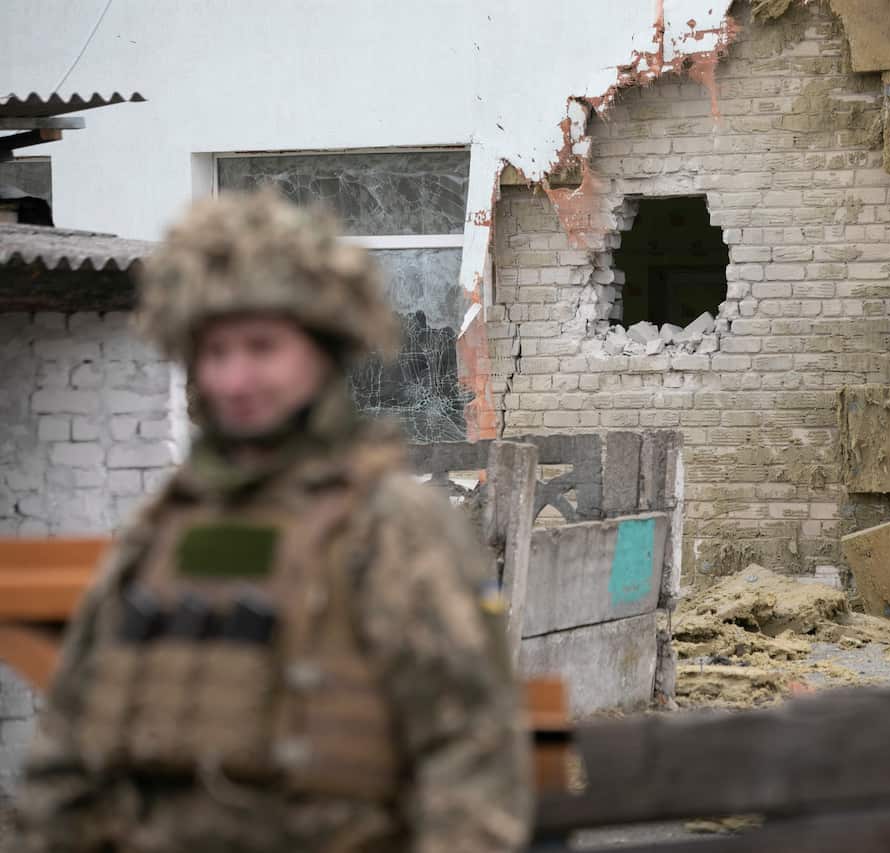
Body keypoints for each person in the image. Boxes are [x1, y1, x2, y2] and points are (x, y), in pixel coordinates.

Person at [12, 190, 532, 853]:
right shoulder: (164, 529)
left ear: (322, 350)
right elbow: (67, 755)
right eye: (216, 351)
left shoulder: (393, 528)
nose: (236, 377)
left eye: (262, 347)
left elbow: (472, 765)